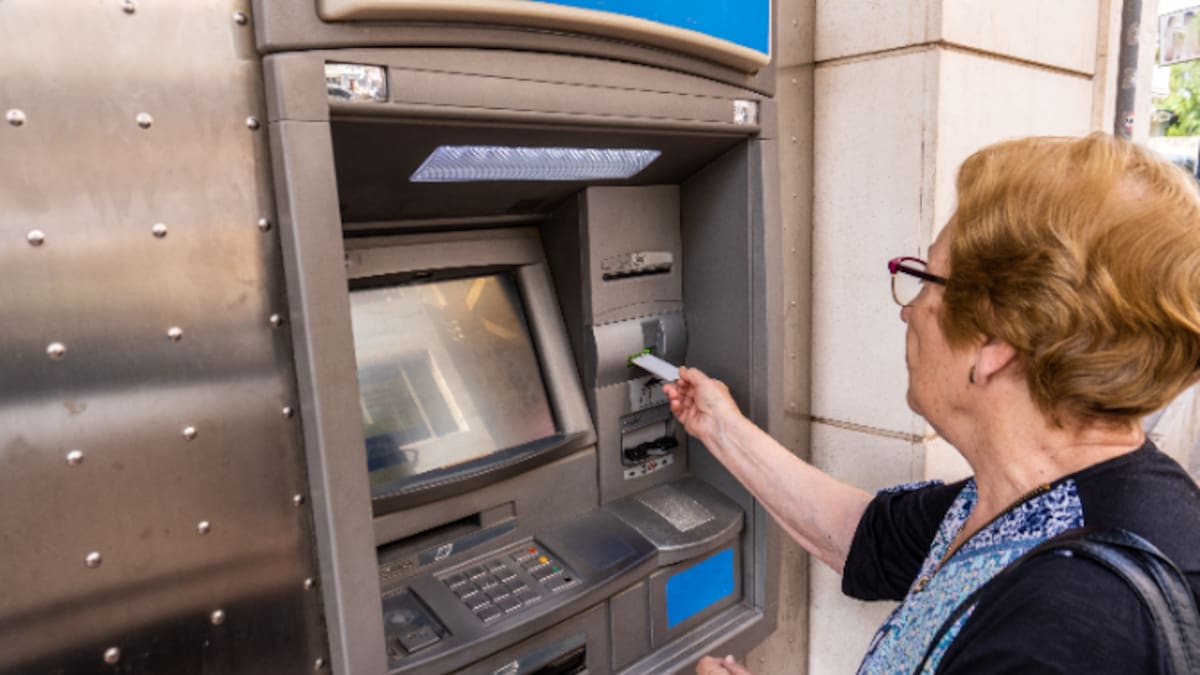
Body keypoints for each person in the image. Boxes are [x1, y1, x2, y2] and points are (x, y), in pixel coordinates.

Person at [667, 133, 1200, 673]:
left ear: (994, 342)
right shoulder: (1043, 493)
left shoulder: (1070, 627)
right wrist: (721, 427)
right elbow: (870, 538)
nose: (910, 311)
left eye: (925, 279)